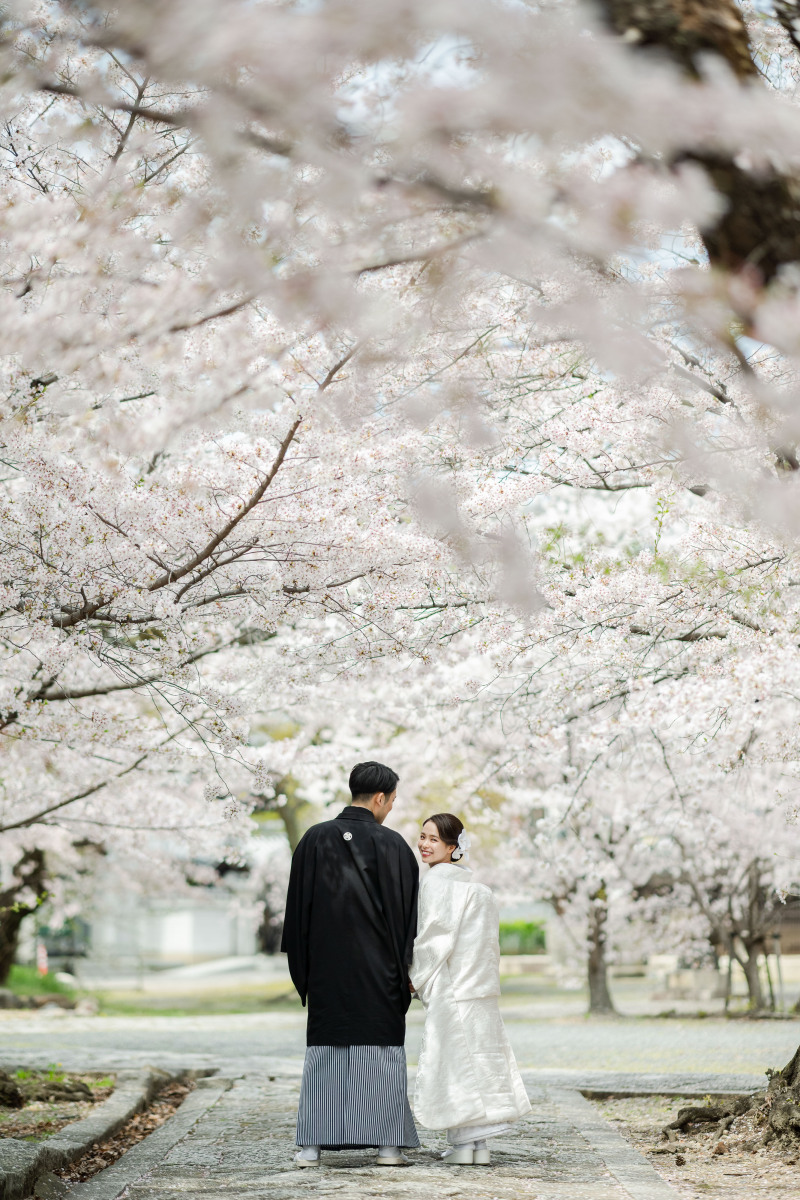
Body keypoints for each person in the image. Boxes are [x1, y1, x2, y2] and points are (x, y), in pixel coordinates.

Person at [281, 761, 420, 1168]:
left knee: (325, 1050)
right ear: (379, 798)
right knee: (383, 1050)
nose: (392, 808)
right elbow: (410, 917)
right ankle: (388, 1146)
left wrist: (306, 969)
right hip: (381, 971)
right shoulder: (394, 846)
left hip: (327, 969)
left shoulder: (313, 839)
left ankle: (311, 1146)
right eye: (392, 801)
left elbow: (297, 914)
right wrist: (407, 969)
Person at [410, 813, 531, 1165]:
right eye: (422, 836)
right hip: (480, 987)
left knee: (453, 1061)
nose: (424, 845)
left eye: (433, 839)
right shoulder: (478, 889)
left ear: (452, 847)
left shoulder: (437, 883)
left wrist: (415, 977)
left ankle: (463, 1147)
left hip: (453, 986)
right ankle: (478, 1146)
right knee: (478, 1059)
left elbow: (434, 938)